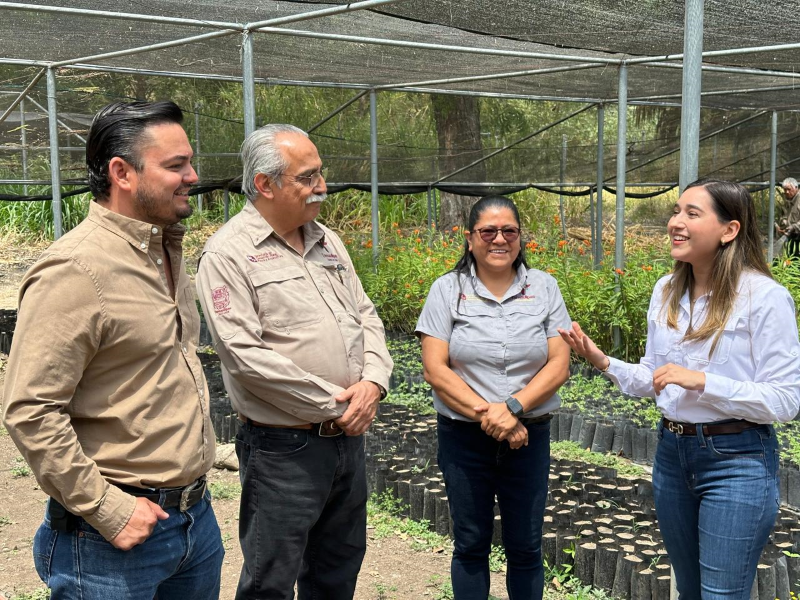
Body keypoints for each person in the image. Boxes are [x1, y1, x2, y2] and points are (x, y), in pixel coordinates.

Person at [1, 101, 223, 599]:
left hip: (194, 521)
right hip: (109, 543)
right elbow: (30, 409)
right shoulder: (76, 271)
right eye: (175, 165)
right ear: (122, 173)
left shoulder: (164, 249)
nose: (192, 175)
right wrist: (106, 508)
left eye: (189, 161)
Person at [559, 178, 800, 600]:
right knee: (687, 591)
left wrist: (704, 381)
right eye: (676, 211)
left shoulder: (764, 298)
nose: (676, 222)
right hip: (673, 455)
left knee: (720, 594)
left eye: (692, 213)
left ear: (730, 230)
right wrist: (602, 361)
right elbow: (657, 376)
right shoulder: (667, 291)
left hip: (737, 460)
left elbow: (786, 400)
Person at [196, 123, 393, 600]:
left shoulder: (327, 240)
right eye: (307, 178)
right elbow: (244, 355)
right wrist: (337, 404)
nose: (321, 187)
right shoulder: (228, 254)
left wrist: (373, 383)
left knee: (337, 569)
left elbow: (366, 314)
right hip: (283, 449)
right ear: (265, 184)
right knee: (271, 581)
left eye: (320, 174)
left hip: (347, 442)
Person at [415, 195, 571, 600]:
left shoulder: (544, 288)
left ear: (520, 237)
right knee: (470, 543)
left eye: (509, 231)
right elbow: (435, 369)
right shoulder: (447, 290)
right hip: (464, 438)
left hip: (528, 437)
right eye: (488, 231)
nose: (498, 239)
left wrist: (515, 409)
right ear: (470, 239)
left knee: (526, 546)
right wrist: (495, 416)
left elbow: (558, 365)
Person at [776, 177, 800, 257]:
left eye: (789, 189)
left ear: (796, 188)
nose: (786, 192)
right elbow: (785, 217)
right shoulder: (788, 200)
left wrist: (794, 227)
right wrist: (781, 227)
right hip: (792, 237)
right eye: (785, 189)